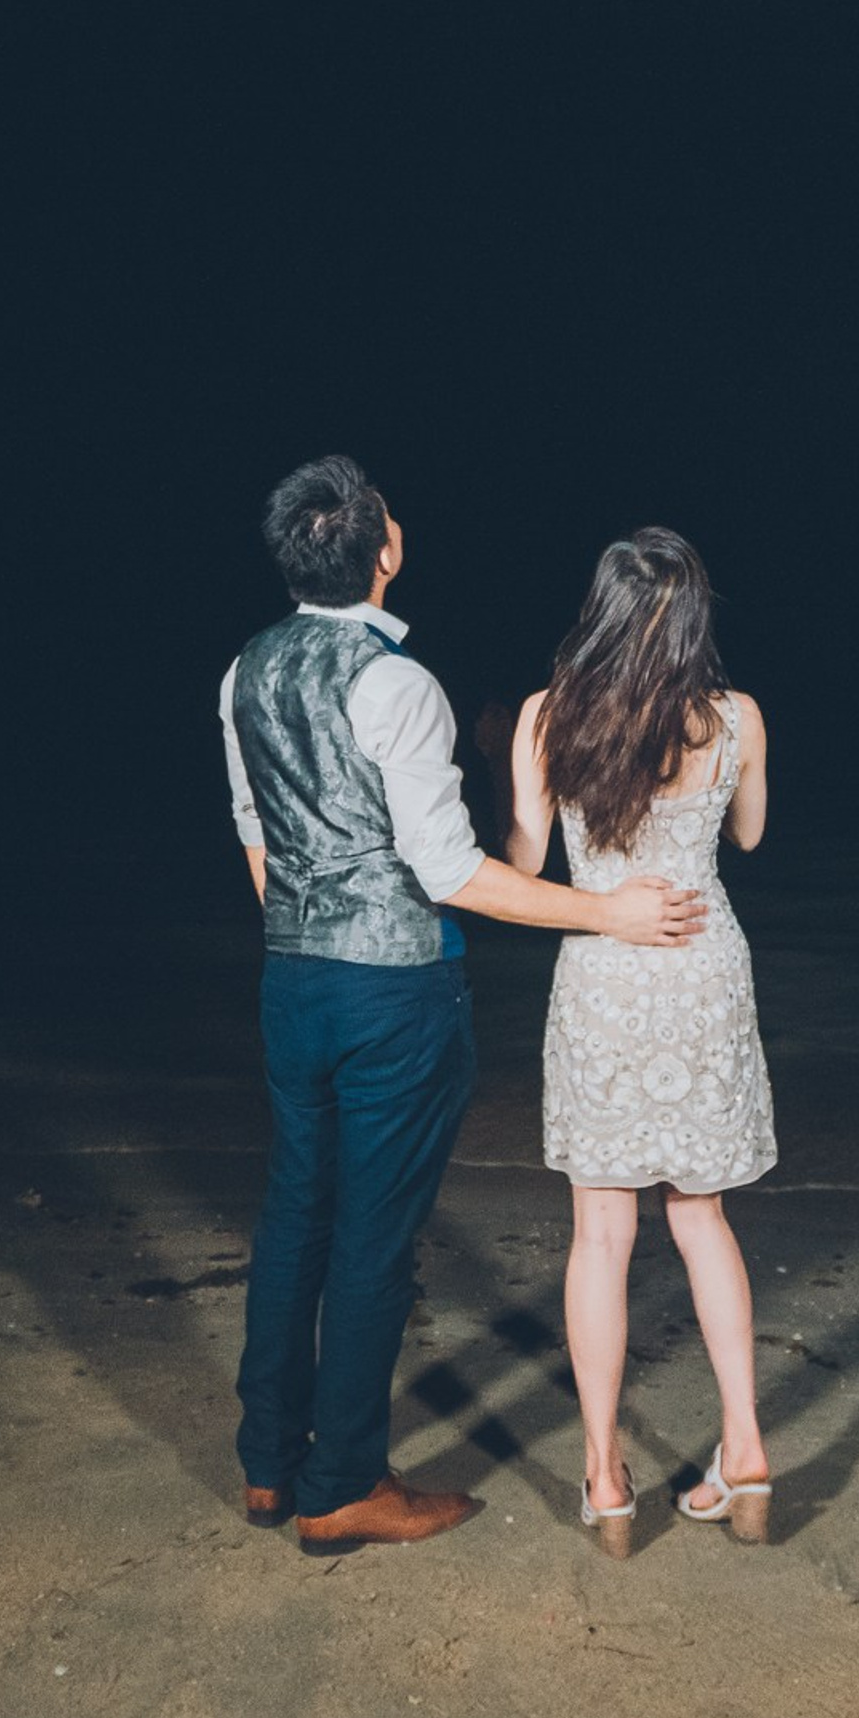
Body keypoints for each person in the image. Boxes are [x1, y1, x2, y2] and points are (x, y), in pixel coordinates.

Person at [220, 457, 708, 1555]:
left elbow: (256, 833)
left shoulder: (241, 669)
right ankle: (339, 1481)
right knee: (373, 1240)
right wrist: (606, 913)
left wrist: (307, 939)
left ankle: (268, 1463)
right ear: (383, 549)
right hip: (392, 992)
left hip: (292, 980)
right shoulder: (398, 685)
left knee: (296, 1212)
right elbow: (451, 873)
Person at [507, 528, 777, 1552]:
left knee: (602, 1233)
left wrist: (523, 790)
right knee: (701, 1217)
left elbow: (525, 865)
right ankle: (744, 1447)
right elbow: (747, 835)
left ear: (603, 611)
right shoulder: (737, 716)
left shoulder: (546, 716)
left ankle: (604, 1477)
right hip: (703, 965)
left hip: (607, 972)